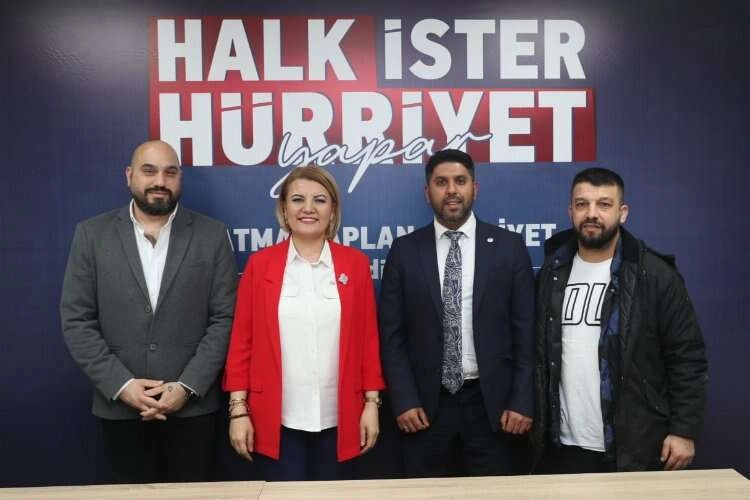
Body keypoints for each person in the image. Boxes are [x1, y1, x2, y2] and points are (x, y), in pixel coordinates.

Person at [60, 140, 237, 483]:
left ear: (180, 178)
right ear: (129, 175)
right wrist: (122, 385)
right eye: (149, 171)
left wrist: (186, 387)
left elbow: (224, 319)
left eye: (170, 172)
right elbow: (77, 320)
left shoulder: (212, 235)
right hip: (120, 409)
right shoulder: (92, 235)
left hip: (192, 411)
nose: (160, 181)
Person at [532, 167, 708, 473]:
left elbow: (687, 357)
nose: (592, 213)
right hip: (562, 447)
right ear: (570, 211)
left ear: (622, 213)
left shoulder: (654, 275)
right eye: (582, 204)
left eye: (604, 204)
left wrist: (684, 430)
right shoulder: (552, 271)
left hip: (632, 446)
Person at [379, 149, 535, 477]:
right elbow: (392, 337)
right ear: (427, 192)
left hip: (493, 408)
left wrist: (521, 399)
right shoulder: (405, 251)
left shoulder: (509, 247)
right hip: (424, 409)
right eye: (441, 182)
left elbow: (526, 332)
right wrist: (404, 400)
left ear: (474, 188)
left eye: (460, 181)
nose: (451, 190)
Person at [223, 165, 384, 481]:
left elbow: (368, 341)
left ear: (333, 209)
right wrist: (238, 409)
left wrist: (371, 403)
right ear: (284, 208)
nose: (308, 208)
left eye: (319, 200)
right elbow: (242, 341)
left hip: (342, 417)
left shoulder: (355, 264)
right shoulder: (260, 265)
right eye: (298, 199)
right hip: (276, 420)